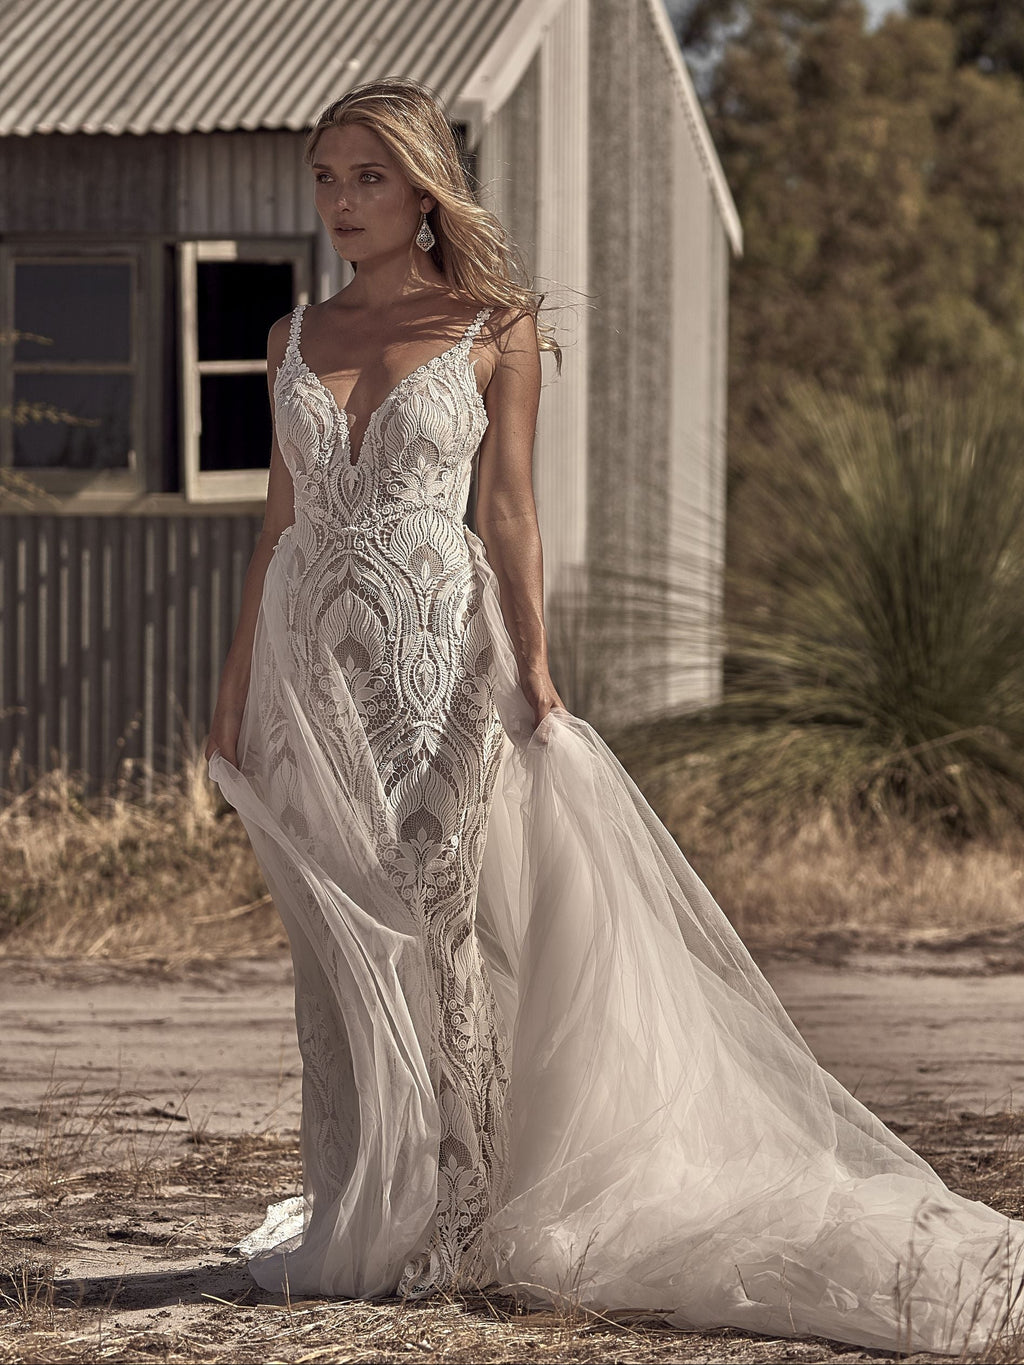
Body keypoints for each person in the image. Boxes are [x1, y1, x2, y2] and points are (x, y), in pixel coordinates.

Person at [206, 77, 1024, 1356]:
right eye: (324, 177)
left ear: (423, 187)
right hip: (309, 676)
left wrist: (533, 671)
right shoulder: (292, 335)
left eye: (365, 176)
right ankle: (366, 1198)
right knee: (340, 938)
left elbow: (511, 512)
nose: (341, 201)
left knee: (447, 923)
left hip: (439, 659)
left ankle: (462, 1209)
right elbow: (277, 527)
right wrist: (233, 683)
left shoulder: (495, 323)